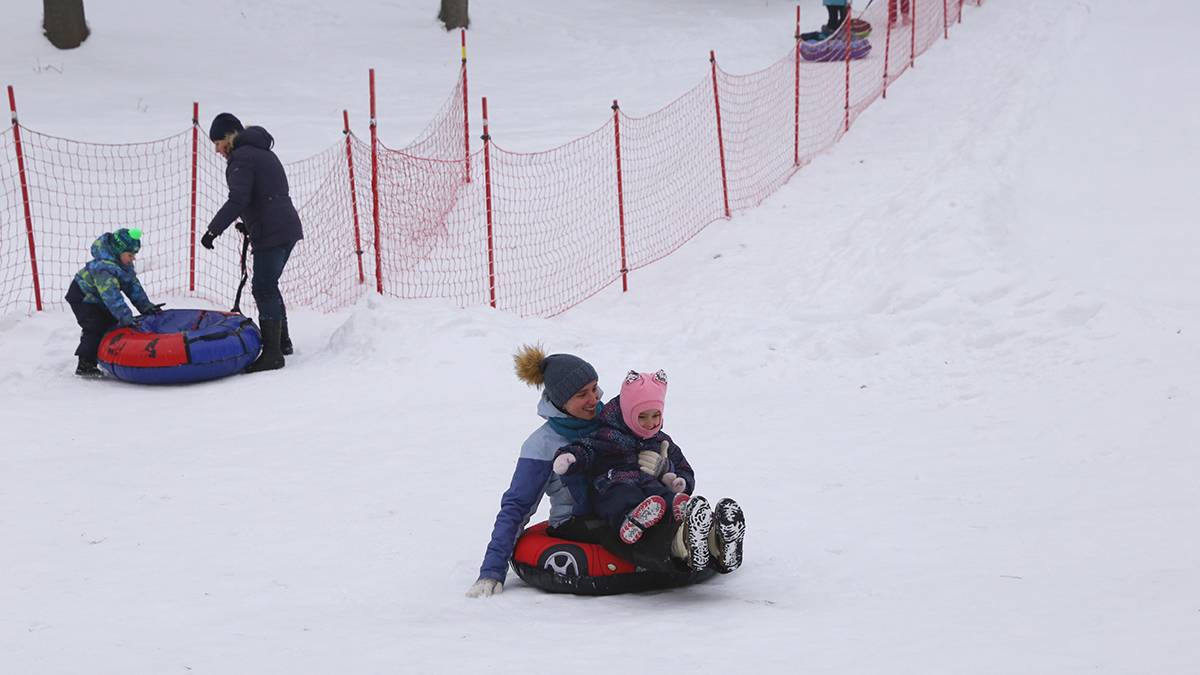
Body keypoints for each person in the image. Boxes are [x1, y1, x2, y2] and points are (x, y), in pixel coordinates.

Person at [554, 370, 744, 572]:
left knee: (663, 495)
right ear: (627, 414)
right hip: (612, 484)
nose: (650, 423)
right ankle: (629, 520)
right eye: (642, 417)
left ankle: (710, 533)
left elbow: (683, 467)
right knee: (623, 495)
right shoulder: (607, 434)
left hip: (649, 491)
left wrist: (679, 480)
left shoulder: (660, 439)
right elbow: (587, 448)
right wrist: (570, 456)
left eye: (656, 415)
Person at [199, 112, 304, 373]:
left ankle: (273, 354)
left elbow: (239, 199)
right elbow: (266, 194)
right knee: (269, 285)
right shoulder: (262, 152)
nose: (217, 150)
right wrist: (251, 223)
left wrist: (213, 230)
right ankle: (282, 343)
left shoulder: (241, 157)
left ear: (229, 137)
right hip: (285, 226)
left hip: (272, 231)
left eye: (218, 143)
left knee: (263, 288)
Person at [65, 228, 163, 378]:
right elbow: (112, 298)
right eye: (130, 255)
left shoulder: (123, 265)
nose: (133, 258)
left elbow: (132, 286)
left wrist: (145, 307)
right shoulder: (103, 268)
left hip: (98, 297)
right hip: (82, 297)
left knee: (111, 322)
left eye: (134, 255)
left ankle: (108, 355)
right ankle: (85, 364)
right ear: (119, 251)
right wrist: (125, 316)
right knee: (95, 326)